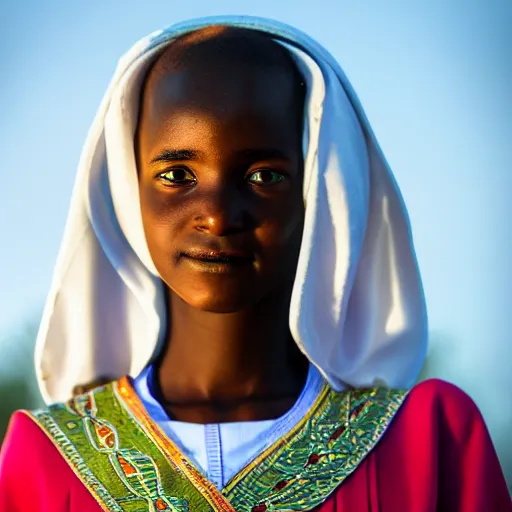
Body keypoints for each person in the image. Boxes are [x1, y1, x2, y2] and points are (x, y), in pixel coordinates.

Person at [0, 16, 510, 512]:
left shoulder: (427, 443)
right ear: (126, 190)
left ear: (319, 192)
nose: (218, 217)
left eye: (264, 176)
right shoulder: (46, 458)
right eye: (177, 174)